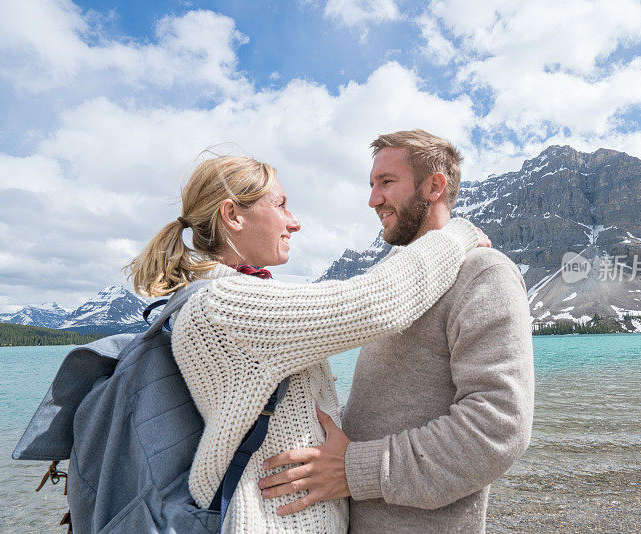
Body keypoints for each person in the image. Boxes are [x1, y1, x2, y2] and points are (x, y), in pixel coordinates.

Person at [125, 154, 490, 533]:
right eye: (280, 205)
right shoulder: (225, 306)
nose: (294, 222)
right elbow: (377, 302)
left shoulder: (233, 299)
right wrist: (457, 236)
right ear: (232, 216)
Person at [258, 130, 535, 533]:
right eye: (371, 185)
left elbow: (497, 429)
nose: (373, 200)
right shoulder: (393, 280)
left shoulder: (484, 275)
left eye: (386, 182)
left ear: (434, 186)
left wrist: (355, 470)